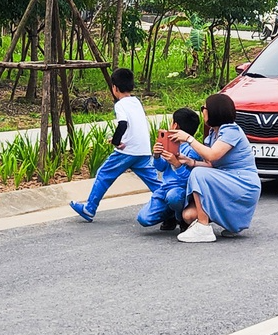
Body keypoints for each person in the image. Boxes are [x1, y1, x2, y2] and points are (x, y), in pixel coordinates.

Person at [167, 92, 261, 243]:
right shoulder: (213, 133)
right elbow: (211, 164)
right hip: (228, 180)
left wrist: (189, 139)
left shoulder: (231, 130)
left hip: (243, 183)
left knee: (199, 174)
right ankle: (228, 222)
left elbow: (212, 156)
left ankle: (203, 227)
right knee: (188, 215)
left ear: (214, 111)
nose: (202, 110)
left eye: (204, 107)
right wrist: (190, 162)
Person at [70, 67, 158, 222]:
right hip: (143, 150)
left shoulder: (120, 105)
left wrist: (116, 142)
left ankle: (89, 209)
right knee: (154, 182)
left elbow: (123, 124)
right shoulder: (137, 102)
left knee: (104, 174)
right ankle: (172, 206)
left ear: (114, 88)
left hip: (128, 151)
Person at [136, 106, 202, 230]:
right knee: (143, 218)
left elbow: (191, 178)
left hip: (182, 190)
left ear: (175, 126)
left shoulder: (192, 150)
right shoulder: (170, 143)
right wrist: (156, 156)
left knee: (174, 197)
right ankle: (170, 214)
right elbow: (161, 168)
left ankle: (181, 219)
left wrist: (177, 164)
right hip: (165, 189)